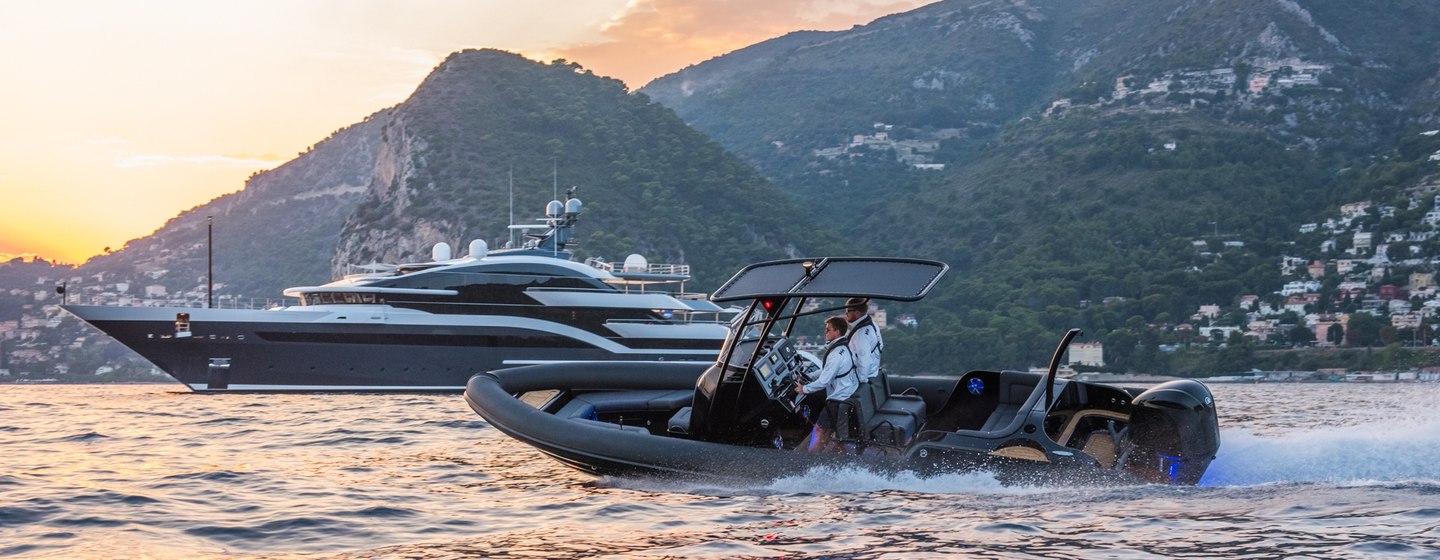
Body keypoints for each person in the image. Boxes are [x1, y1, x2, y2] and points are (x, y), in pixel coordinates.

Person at [794, 315, 858, 453]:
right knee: (830, 434)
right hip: (845, 395)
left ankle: (809, 463)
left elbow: (824, 381)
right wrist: (809, 376)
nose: (825, 332)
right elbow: (827, 370)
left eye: (828, 330)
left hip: (838, 400)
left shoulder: (836, 354)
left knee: (819, 432)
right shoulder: (844, 347)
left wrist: (803, 389)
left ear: (837, 331)